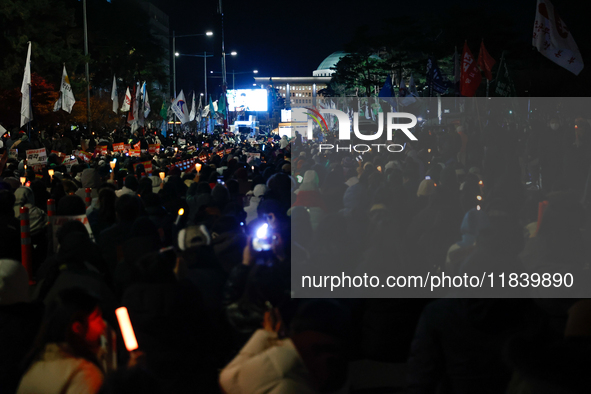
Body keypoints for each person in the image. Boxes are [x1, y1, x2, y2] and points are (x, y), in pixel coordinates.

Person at [17, 288, 106, 394]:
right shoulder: (84, 375)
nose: (103, 325)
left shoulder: (34, 365)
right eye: (97, 318)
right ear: (77, 328)